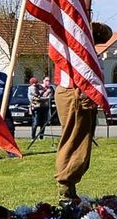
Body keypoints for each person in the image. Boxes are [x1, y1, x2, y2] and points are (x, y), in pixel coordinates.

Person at [53, 21, 111, 202]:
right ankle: (65, 189)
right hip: (75, 91)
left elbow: (106, 33)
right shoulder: (72, 42)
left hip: (80, 91)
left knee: (80, 140)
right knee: (74, 140)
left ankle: (69, 188)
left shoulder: (83, 43)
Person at [25, 77, 47, 141]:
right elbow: (32, 98)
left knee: (43, 122)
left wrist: (43, 92)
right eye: (33, 84)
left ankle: (41, 137)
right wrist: (41, 98)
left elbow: (43, 93)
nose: (34, 85)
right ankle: (33, 137)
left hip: (43, 107)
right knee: (35, 122)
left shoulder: (39, 87)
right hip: (35, 107)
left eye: (35, 83)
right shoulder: (30, 89)